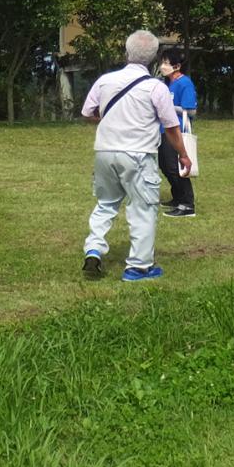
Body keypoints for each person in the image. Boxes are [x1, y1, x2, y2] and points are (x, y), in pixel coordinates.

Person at [80, 29, 191, 282]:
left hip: (105, 152)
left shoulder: (105, 81)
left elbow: (88, 113)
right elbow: (171, 128)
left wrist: (109, 121)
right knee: (143, 208)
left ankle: (94, 248)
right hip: (139, 155)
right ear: (153, 58)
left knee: (106, 203)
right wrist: (183, 155)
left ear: (126, 52)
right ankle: (139, 267)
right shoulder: (156, 88)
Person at [157, 48, 198, 218]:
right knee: (165, 165)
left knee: (176, 168)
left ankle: (187, 204)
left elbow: (191, 110)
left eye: (167, 63)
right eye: (163, 62)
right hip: (163, 129)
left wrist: (167, 107)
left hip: (176, 130)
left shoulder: (184, 83)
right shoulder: (167, 84)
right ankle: (177, 197)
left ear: (177, 66)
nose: (163, 66)